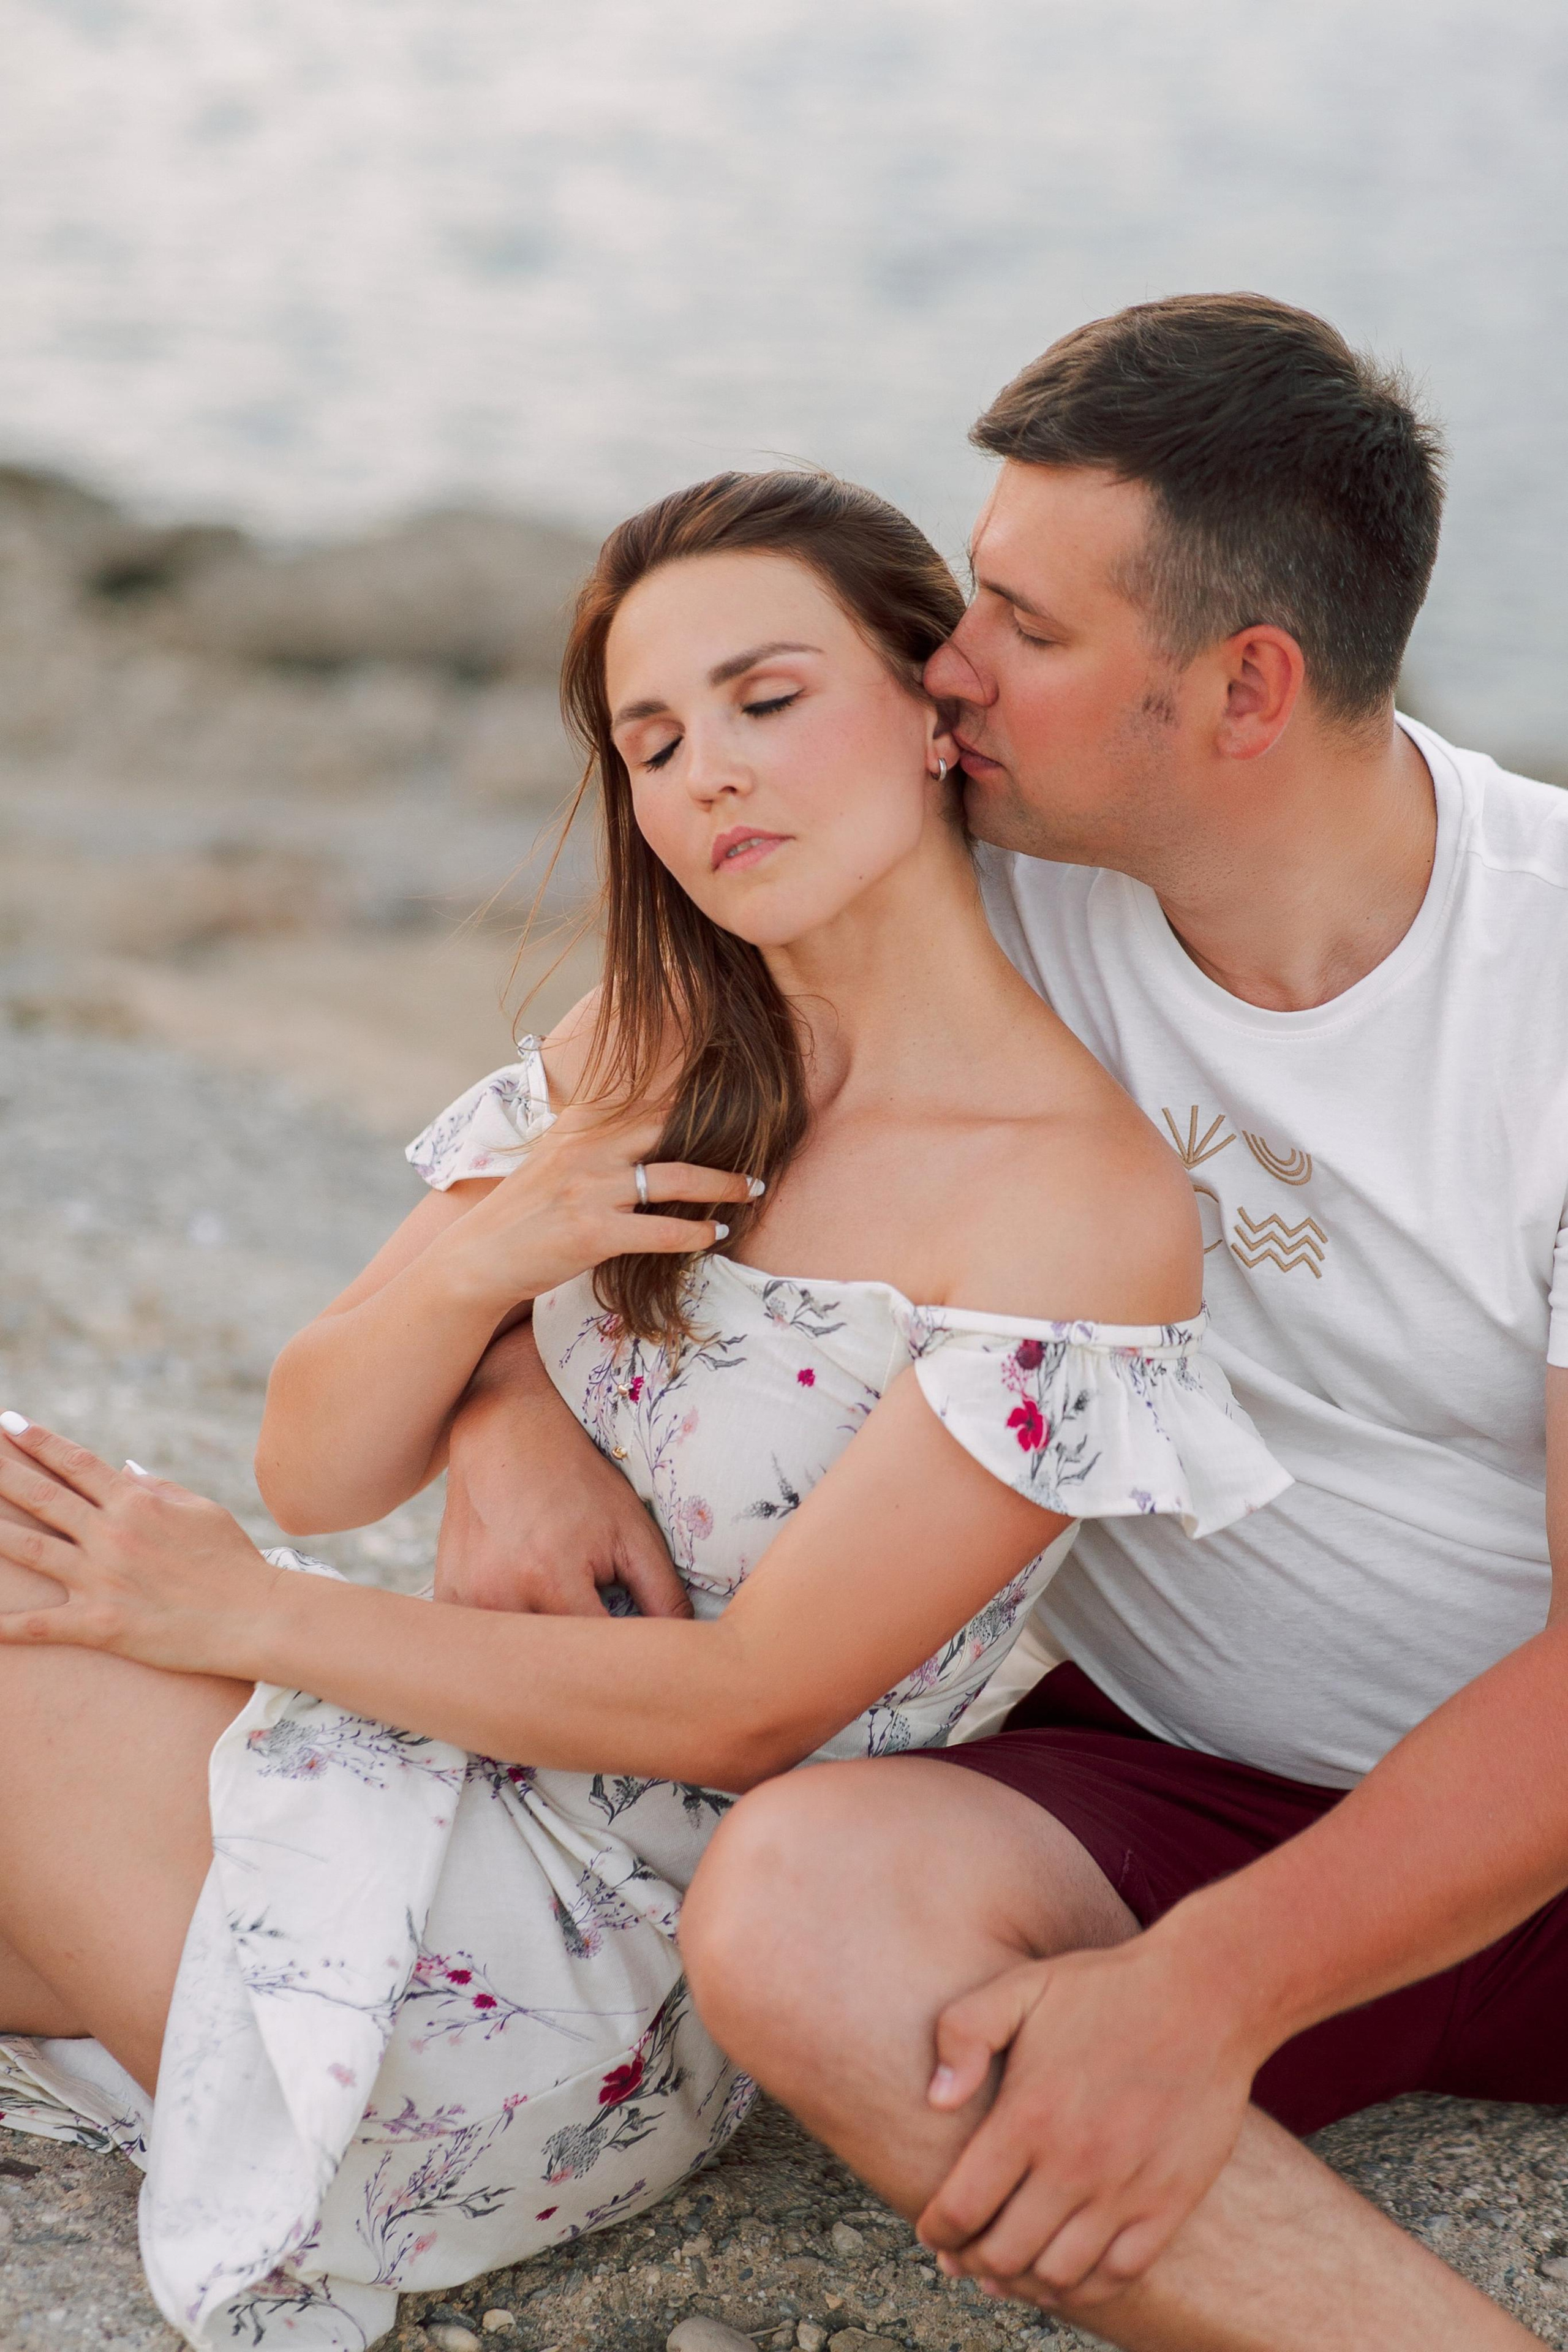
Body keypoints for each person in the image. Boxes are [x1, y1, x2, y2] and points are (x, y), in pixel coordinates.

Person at [0, 469, 1285, 2352]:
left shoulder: (1068, 1205)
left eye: (769, 702)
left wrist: (240, 1609)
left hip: (586, 1975)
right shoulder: (652, 1039)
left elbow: (757, 1702)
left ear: (937, 709)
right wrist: (487, 1295)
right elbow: (316, 1454)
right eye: (654, 740)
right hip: (408, 1770)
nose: (708, 779)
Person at [673, 300, 1568, 2351]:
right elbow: (566, 1133)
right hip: (1189, 1783)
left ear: (1248, 685)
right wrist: (504, 1429)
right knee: (797, 1919)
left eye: (1024, 628)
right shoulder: (989, 875)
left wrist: (1205, 1997)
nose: (943, 670)